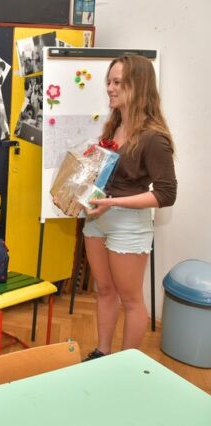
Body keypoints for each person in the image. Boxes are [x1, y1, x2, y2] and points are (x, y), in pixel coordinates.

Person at [80, 55, 177, 361]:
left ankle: (125, 366)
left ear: (139, 86)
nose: (110, 88)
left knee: (131, 299)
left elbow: (166, 194)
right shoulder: (114, 126)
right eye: (109, 82)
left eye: (117, 82)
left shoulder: (154, 138)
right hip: (97, 219)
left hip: (128, 223)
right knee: (104, 290)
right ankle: (102, 353)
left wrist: (113, 202)